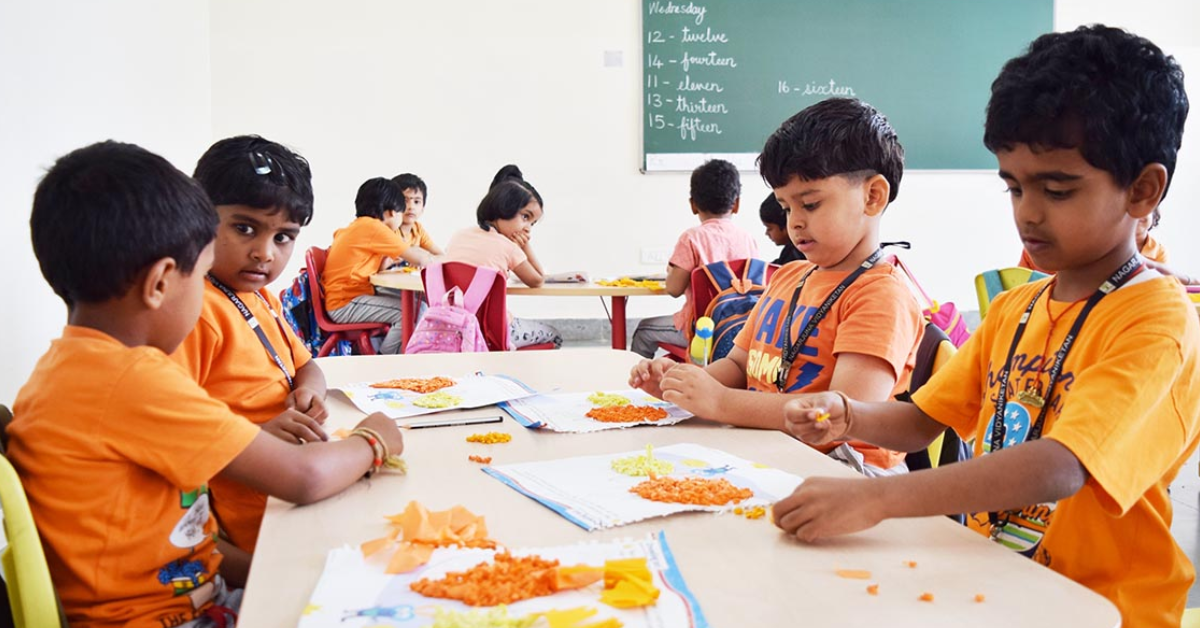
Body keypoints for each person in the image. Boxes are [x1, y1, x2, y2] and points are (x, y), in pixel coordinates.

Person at [773, 26, 1198, 628]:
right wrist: (848, 414)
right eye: (1014, 186)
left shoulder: (1155, 319)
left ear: (1142, 189)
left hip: (1102, 608)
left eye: (1056, 189)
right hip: (992, 582)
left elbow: (1061, 466)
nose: (1027, 211)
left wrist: (878, 498)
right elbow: (923, 420)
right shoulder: (1016, 309)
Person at [9, 141, 404, 627]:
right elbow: (304, 478)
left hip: (195, 595)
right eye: (200, 278)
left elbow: (192, 551)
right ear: (161, 283)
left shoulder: (64, 370)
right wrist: (375, 440)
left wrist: (274, 572)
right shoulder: (133, 380)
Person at [630, 98, 923, 477]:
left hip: (845, 473)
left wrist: (721, 404)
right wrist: (683, 390)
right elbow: (737, 365)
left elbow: (839, 415)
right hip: (770, 448)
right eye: (786, 207)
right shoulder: (787, 276)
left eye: (811, 204)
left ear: (872, 196)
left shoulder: (880, 295)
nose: (795, 223)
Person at [172, 135, 329, 579]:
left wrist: (309, 395)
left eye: (284, 237)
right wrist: (257, 435)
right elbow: (176, 447)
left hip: (290, 487)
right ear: (198, 218)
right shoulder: (194, 313)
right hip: (255, 527)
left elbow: (305, 364)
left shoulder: (259, 296)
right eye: (245, 228)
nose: (265, 252)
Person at [629, 159, 759, 358]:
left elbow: (673, 289)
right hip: (740, 330)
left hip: (700, 330)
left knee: (643, 330)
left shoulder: (692, 238)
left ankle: (640, 385)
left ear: (693, 205)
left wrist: (672, 270)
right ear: (736, 204)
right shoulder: (748, 239)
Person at [443, 165, 562, 348]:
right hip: (495, 330)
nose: (528, 227)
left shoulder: (459, 235)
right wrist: (524, 245)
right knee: (554, 334)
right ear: (503, 208)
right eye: (525, 217)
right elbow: (537, 280)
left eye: (533, 223)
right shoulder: (508, 247)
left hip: (454, 327)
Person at [323, 177, 434, 354]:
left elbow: (370, 267)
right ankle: (387, 360)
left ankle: (396, 353)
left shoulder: (359, 226)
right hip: (346, 303)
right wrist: (430, 259)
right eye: (401, 211)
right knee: (411, 312)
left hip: (348, 297)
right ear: (391, 212)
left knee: (418, 305)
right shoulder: (374, 228)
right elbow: (418, 259)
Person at [391, 172, 444, 256]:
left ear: (423, 208)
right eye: (405, 201)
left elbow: (440, 255)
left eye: (416, 202)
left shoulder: (417, 229)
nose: (411, 207)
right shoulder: (390, 230)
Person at [758, 191, 805, 265]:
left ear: (786, 225)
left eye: (769, 228)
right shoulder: (789, 251)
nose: (766, 233)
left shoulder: (795, 255)